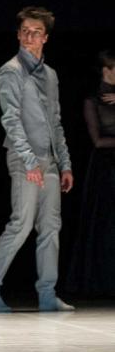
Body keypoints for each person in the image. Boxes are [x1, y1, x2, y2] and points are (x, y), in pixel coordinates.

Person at [0, 7, 75, 313]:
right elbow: (11, 120)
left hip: (48, 159)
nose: (29, 36)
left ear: (45, 38)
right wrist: (29, 160)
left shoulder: (50, 76)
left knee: (51, 226)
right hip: (25, 160)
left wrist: (65, 163)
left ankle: (47, 294)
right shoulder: (9, 72)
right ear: (19, 34)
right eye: (24, 31)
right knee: (20, 224)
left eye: (35, 32)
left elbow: (55, 122)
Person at [65, 49, 115, 296]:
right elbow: (97, 141)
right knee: (106, 222)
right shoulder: (93, 100)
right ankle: (103, 280)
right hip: (107, 166)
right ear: (106, 70)